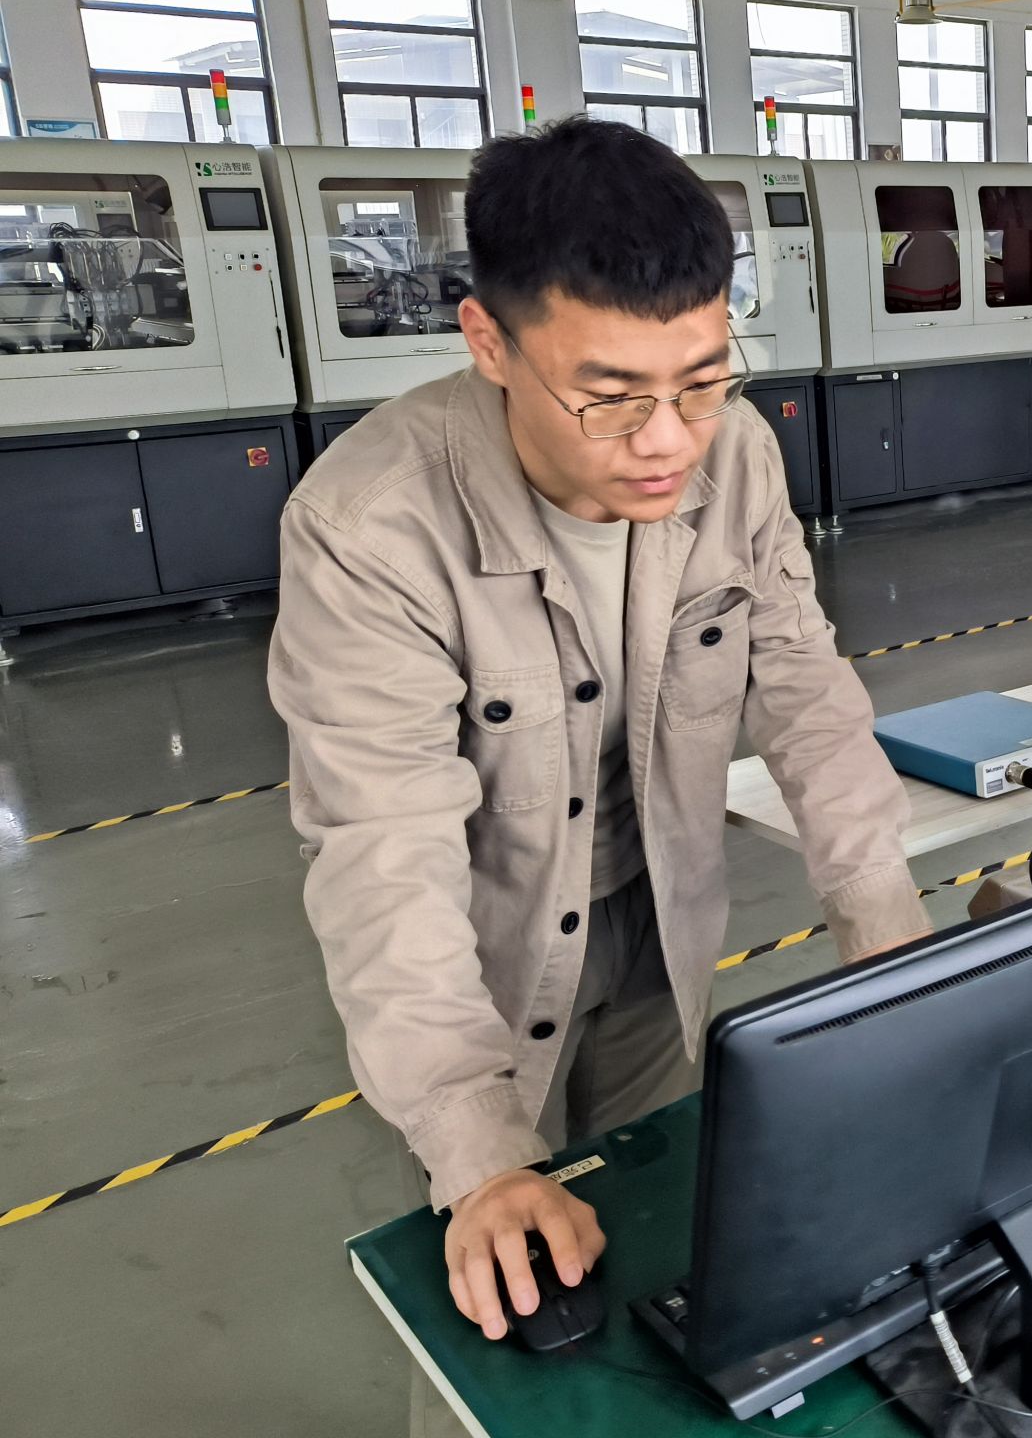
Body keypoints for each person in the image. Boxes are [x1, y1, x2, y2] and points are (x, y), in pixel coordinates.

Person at [268, 118, 928, 1359]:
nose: (668, 439)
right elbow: (381, 842)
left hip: (661, 929)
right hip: (479, 964)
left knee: (659, 1242)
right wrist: (476, 1151)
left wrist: (893, 950)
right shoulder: (369, 527)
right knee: (504, 1293)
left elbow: (805, 693)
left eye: (703, 379)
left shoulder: (738, 458)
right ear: (488, 342)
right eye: (611, 396)